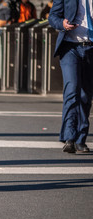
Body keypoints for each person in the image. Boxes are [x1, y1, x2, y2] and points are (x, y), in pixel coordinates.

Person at [49, 0, 93, 153]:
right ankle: (69, 138)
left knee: (86, 95)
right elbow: (53, 17)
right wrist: (62, 23)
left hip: (90, 48)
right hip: (70, 48)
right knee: (72, 90)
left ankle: (80, 139)